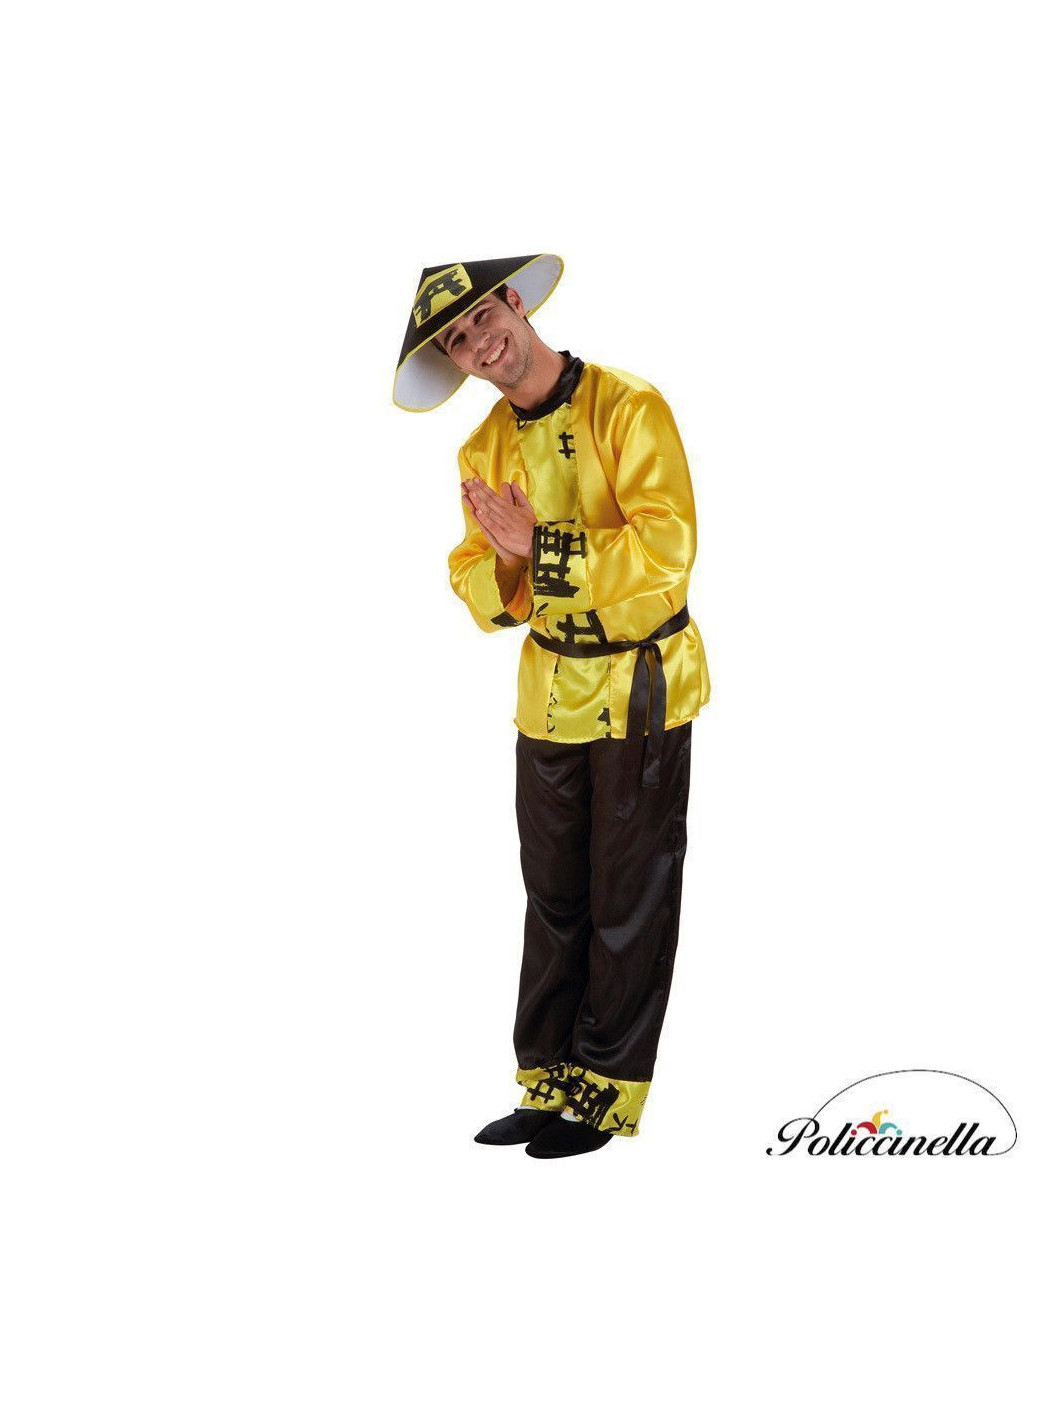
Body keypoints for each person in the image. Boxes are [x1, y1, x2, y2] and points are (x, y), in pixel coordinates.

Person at [393, 255, 709, 1158]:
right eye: (458, 341)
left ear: (514, 302)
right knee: (555, 899)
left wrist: (545, 548)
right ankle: (546, 1081)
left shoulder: (629, 407)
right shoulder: (481, 450)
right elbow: (475, 581)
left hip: (640, 690)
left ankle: (606, 1091)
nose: (479, 342)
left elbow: (668, 548)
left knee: (628, 897)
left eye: (482, 318)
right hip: (548, 697)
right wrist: (506, 561)